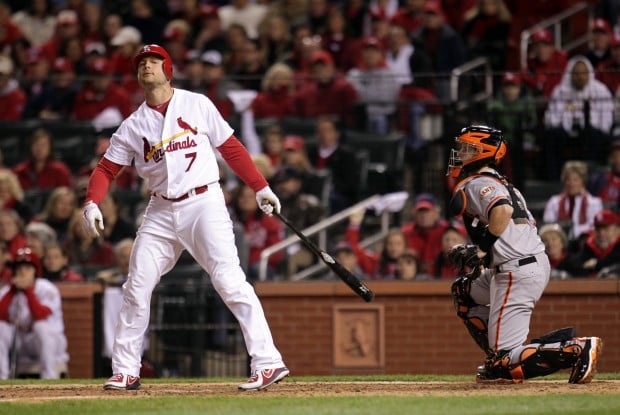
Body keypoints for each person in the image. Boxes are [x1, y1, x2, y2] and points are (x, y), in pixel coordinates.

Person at [81, 44, 288, 391]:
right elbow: (105, 168)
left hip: (203, 202)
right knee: (136, 285)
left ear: (168, 69)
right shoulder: (133, 125)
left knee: (228, 280)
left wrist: (260, 186)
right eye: (141, 63)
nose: (146, 66)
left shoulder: (197, 103)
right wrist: (91, 202)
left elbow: (230, 147)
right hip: (160, 210)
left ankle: (268, 362)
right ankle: (126, 370)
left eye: (153, 61)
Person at [445, 124, 602, 384]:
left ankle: (575, 349)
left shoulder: (479, 182)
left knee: (505, 364)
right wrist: (480, 251)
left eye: (467, 148)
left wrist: (483, 249)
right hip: (523, 263)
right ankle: (497, 357)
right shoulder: (505, 183)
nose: (460, 152)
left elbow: (502, 211)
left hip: (516, 270)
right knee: (464, 291)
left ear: (483, 151)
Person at [0, 247, 69, 379]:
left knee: (40, 326)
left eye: (27, 268)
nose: (22, 272)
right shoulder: (8, 291)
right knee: (1, 327)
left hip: (52, 342)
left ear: (35, 271)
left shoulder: (46, 288)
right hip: (22, 341)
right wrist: (13, 291)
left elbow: (40, 314)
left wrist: (28, 291)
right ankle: (1, 378)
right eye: (19, 268)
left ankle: (49, 377)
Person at [542, 56, 614, 179]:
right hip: (565, 132)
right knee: (551, 136)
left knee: (595, 137)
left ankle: (592, 178)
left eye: (584, 73)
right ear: (570, 74)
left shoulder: (600, 90)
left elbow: (606, 121)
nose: (580, 76)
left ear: (589, 74)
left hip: (592, 132)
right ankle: (554, 179)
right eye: (577, 73)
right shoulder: (560, 91)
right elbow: (550, 119)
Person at [543, 160, 603, 244]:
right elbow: (548, 226)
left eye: (575, 180)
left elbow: (594, 227)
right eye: (568, 179)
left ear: (583, 181)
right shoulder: (554, 202)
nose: (571, 183)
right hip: (560, 243)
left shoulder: (594, 203)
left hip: (584, 242)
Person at [563, 209, 620, 278]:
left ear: (617, 229)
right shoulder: (589, 246)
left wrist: (597, 264)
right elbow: (576, 266)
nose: (601, 233)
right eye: (598, 228)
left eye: (606, 228)